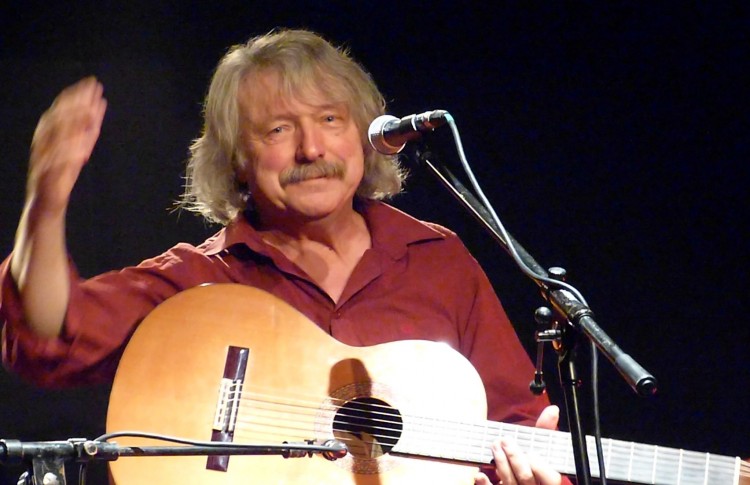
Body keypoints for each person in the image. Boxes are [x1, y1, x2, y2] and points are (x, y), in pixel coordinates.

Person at [1, 29, 564, 484]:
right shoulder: (201, 281)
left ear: (366, 136)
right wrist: (46, 205)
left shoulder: (436, 258)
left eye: (330, 119)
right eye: (278, 129)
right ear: (237, 159)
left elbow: (519, 425)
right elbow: (50, 331)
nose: (311, 148)